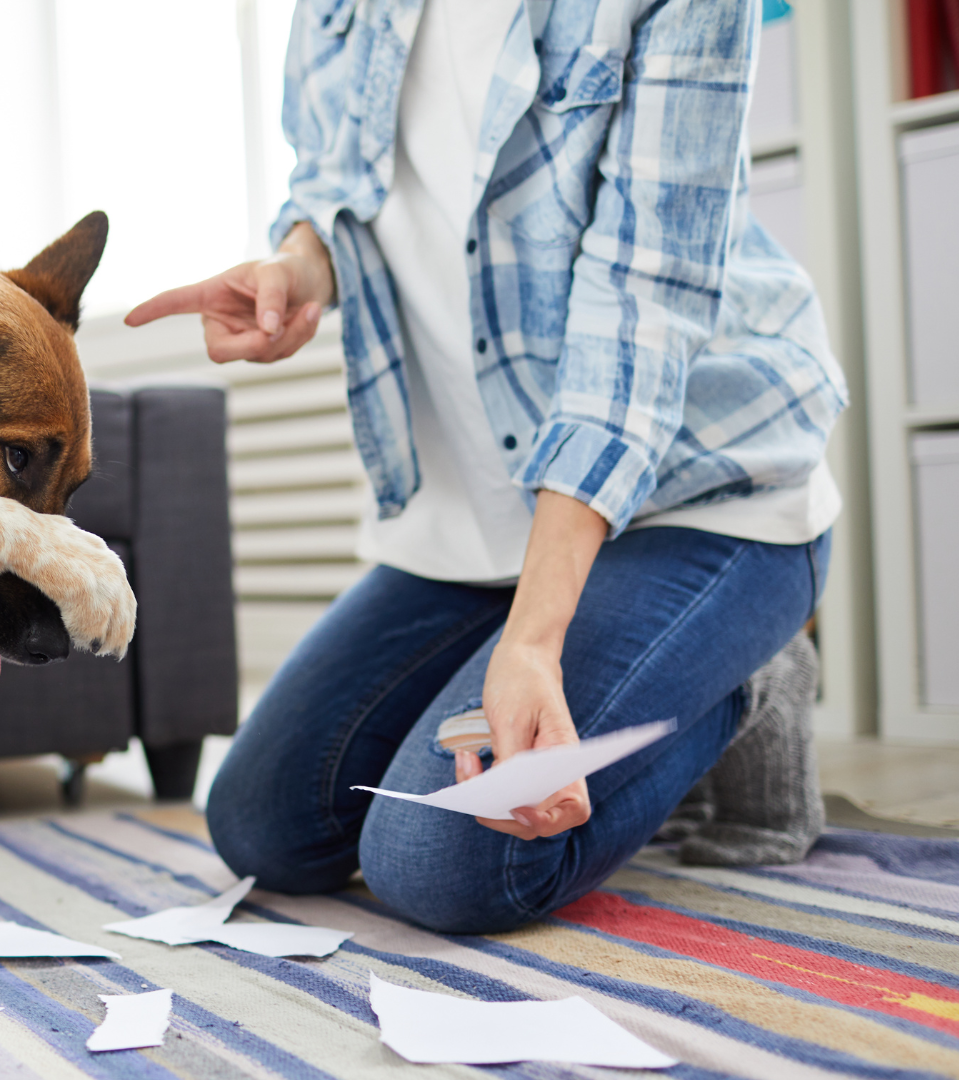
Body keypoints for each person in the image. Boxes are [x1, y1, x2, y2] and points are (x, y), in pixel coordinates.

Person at [127, 0, 844, 934]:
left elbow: (642, 306)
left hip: (704, 496)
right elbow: (333, 186)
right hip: (477, 525)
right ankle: (596, 657)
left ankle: (748, 677)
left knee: (442, 862)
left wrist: (536, 642)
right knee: (264, 825)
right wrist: (300, 267)